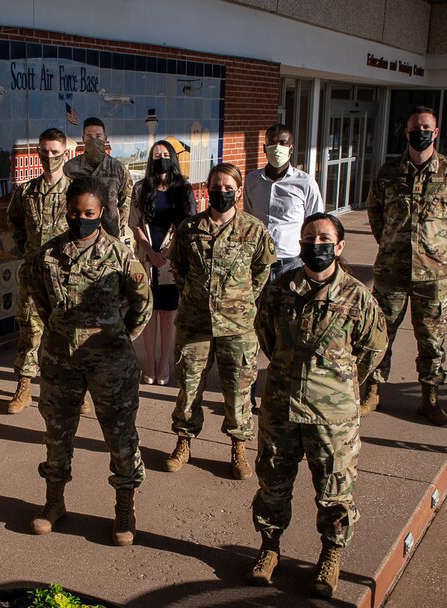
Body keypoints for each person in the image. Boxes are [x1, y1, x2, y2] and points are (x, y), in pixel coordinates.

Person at [249, 213, 387, 598]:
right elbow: (267, 336)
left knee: (334, 491)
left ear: (339, 247)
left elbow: (373, 347)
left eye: (325, 239)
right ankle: (269, 548)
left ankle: (330, 554)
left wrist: (339, 382)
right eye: (309, 238)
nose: (316, 244)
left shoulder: (357, 295)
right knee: (273, 484)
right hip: (281, 407)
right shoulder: (279, 290)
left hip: (333, 416)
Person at [28, 176, 153, 546]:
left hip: (110, 365)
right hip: (60, 361)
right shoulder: (47, 255)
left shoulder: (119, 255)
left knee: (121, 439)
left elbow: (142, 303)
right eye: (74, 212)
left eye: (89, 213)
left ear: (101, 213)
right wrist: (63, 333)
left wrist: (116, 339)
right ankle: (53, 503)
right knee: (57, 435)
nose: (80, 219)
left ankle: (124, 511)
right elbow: (40, 301)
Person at [362, 105, 447, 424]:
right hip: (391, 271)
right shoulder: (388, 173)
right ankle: (373, 390)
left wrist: (439, 246)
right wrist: (389, 242)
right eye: (415, 127)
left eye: (426, 127)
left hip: (433, 274)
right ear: (406, 131)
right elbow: (375, 212)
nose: (420, 131)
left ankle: (430, 395)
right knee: (381, 333)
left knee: (432, 337)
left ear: (436, 132)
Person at [164, 163, 276, 479]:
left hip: (237, 326)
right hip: (194, 323)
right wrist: (194, 295)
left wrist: (240, 301)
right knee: (188, 386)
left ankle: (238, 449)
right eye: (217, 186)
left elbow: (261, 270)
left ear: (239, 191)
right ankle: (183, 443)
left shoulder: (254, 230)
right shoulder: (188, 229)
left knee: (239, 390)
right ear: (207, 189)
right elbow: (179, 267)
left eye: (229, 187)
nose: (222, 192)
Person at [5, 128, 70, 414]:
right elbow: (15, 223)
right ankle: (24, 387)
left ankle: (75, 390)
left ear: (66, 153)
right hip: (33, 274)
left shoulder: (77, 191)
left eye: (55, 152)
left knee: (69, 334)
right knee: (30, 330)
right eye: (44, 151)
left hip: (67, 277)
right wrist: (28, 251)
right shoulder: (27, 192)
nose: (49, 156)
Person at [129, 140, 196, 386]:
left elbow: (187, 225)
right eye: (156, 155)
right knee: (148, 312)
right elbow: (134, 223)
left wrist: (166, 253)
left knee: (167, 313)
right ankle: (150, 362)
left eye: (165, 154)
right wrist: (149, 251)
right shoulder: (140, 188)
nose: (161, 158)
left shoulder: (183, 188)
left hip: (171, 257)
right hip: (146, 257)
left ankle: (164, 361)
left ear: (173, 158)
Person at [244, 123, 324, 280]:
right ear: (264, 148)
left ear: (291, 149)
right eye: (272, 143)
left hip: (291, 266)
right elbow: (248, 219)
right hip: (258, 264)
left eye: (282, 143)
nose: (277, 148)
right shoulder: (252, 180)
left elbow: (317, 224)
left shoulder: (305, 183)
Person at [63, 117, 134, 244]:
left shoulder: (118, 169)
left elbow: (126, 201)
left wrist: (119, 226)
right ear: (83, 138)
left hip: (109, 237)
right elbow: (62, 201)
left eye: (98, 136)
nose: (94, 140)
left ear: (105, 138)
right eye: (89, 136)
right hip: (76, 236)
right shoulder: (70, 168)